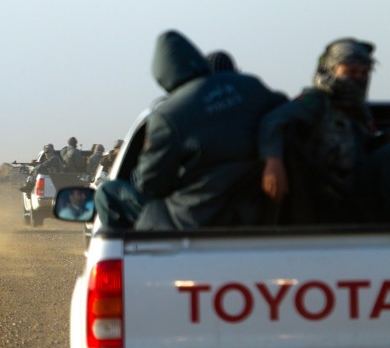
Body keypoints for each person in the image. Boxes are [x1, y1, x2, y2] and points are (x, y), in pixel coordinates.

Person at [95, 30, 287, 230]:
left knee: (107, 193)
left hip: (193, 220)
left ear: (163, 75)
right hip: (258, 209)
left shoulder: (168, 115)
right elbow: (284, 113)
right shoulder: (250, 86)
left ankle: (129, 256)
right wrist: (273, 157)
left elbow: (151, 185)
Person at [259, 37, 390, 223]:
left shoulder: (359, 110)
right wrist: (273, 164)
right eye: (350, 71)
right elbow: (273, 121)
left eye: (364, 72)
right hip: (332, 198)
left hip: (359, 192)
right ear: (330, 70)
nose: (359, 78)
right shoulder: (314, 101)